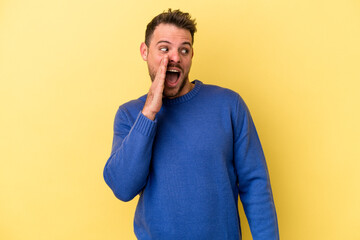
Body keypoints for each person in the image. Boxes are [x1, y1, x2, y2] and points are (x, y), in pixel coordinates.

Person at [103, 9, 279, 240]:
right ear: (145, 52)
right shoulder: (130, 115)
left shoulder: (228, 105)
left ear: (192, 55)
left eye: (183, 50)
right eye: (164, 49)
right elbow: (123, 188)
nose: (174, 57)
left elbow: (255, 184)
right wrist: (149, 113)